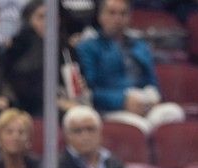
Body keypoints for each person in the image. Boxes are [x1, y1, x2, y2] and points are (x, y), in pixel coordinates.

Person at [75, 0, 184, 134]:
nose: (117, 18)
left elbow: (152, 81)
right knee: (140, 127)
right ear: (100, 16)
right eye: (112, 13)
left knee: (173, 112)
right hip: (111, 108)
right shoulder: (88, 47)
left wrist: (153, 97)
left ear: (129, 17)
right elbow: (89, 91)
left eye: (123, 13)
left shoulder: (140, 45)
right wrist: (122, 101)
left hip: (143, 102)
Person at [3, 0, 93, 117]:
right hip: (31, 110)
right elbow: (22, 89)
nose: (47, 21)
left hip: (69, 105)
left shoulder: (66, 49)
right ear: (29, 21)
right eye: (41, 17)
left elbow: (79, 83)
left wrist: (80, 86)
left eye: (52, 16)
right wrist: (57, 102)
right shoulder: (18, 49)